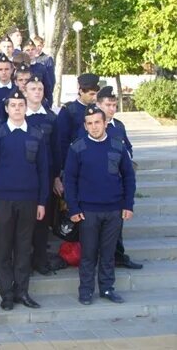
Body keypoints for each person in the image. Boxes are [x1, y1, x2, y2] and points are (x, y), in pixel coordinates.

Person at [63, 104, 136, 305]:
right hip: (88, 211)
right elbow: (69, 180)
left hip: (113, 210)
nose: (94, 127)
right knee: (88, 254)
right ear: (85, 126)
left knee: (108, 253)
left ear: (105, 123)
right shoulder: (77, 147)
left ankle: (106, 288)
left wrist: (128, 205)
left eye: (97, 122)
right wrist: (74, 208)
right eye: (89, 124)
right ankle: (86, 291)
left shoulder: (117, 145)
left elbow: (129, 176)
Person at [0, 89, 48, 311]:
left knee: (23, 248)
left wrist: (42, 202)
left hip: (29, 201)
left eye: (21, 105)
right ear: (6, 108)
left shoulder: (36, 134)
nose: (18, 108)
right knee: (3, 248)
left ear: (26, 107)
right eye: (13, 105)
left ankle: (22, 291)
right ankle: (7, 294)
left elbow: (43, 171)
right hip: (3, 201)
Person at [95, 86, 141, 269]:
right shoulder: (91, 125)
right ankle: (103, 258)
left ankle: (119, 256)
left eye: (114, 105)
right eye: (108, 105)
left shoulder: (118, 126)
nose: (112, 109)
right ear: (99, 105)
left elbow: (127, 146)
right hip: (99, 184)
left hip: (119, 182)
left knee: (117, 223)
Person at [24, 76, 61, 275]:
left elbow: (56, 149)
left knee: (42, 219)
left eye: (40, 89)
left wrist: (56, 177)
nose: (37, 92)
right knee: (24, 221)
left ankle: (39, 259)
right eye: (33, 89)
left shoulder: (51, 118)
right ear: (25, 92)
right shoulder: (18, 117)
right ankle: (23, 260)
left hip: (45, 177)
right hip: (24, 178)